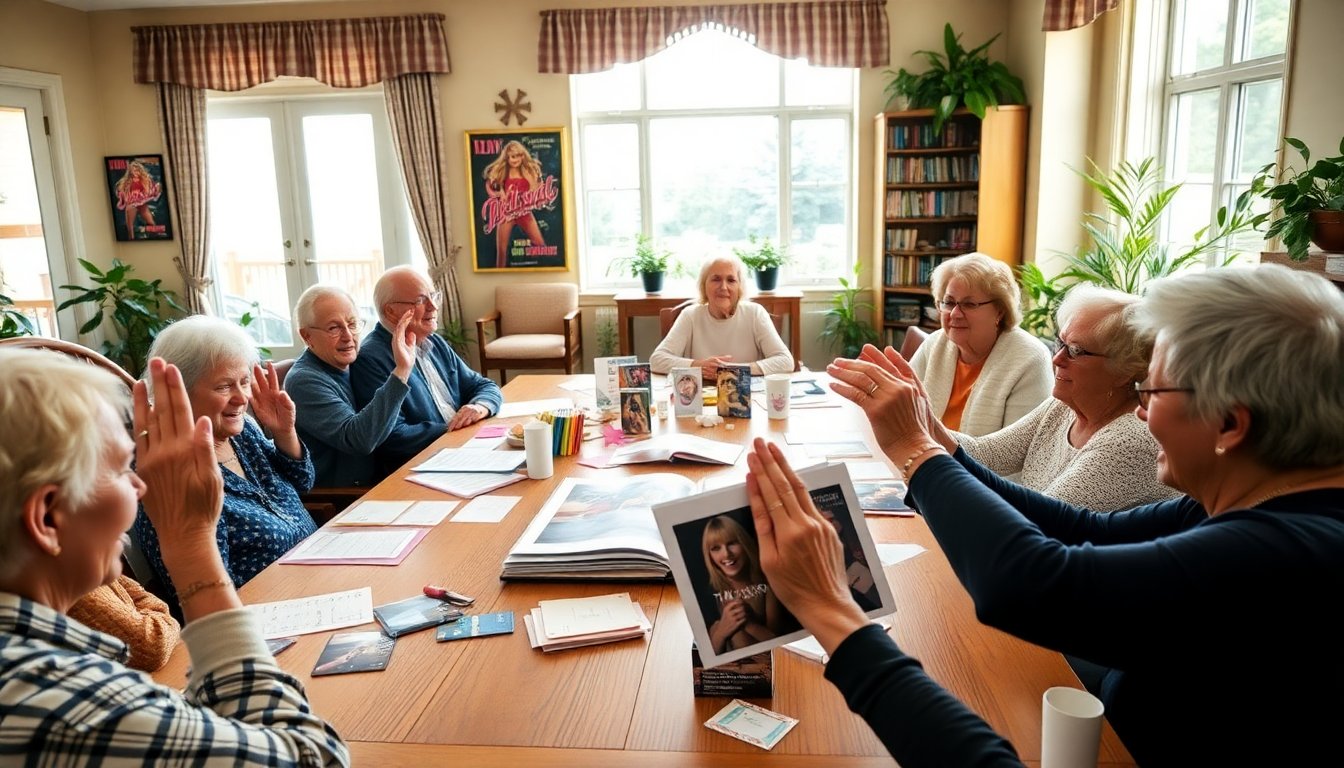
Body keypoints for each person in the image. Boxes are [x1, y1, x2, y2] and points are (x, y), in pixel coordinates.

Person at [818, 264, 1344, 766]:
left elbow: (1030, 582)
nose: (1142, 411)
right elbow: (1083, 528)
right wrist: (933, 442)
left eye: (1154, 392)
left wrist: (916, 451)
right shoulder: (1250, 503)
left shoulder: (1283, 553)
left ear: (1230, 423)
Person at [0, 350, 349, 765]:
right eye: (118, 470)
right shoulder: (79, 708)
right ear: (47, 517)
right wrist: (190, 542)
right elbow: (314, 758)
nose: (140, 486)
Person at [132, 316, 317, 609]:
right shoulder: (168, 473)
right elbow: (203, 595)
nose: (242, 397)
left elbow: (302, 482)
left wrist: (285, 433)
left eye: (244, 381)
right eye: (223, 387)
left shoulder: (243, 432)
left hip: (317, 579)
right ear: (178, 391)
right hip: (269, 615)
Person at [951, 285, 1177, 510]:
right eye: (1061, 343)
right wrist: (918, 417)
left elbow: (1044, 517)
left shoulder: (1129, 440)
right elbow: (985, 454)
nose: (1057, 359)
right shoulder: (1063, 407)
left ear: (1124, 370)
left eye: (1076, 351)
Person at [350, 267, 503, 473]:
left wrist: (479, 408)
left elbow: (482, 385)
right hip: (421, 466)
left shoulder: (432, 341)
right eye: (421, 300)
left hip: (460, 448)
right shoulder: (370, 358)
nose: (433, 307)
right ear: (390, 311)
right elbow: (393, 437)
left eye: (433, 296)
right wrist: (456, 428)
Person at [284, 284, 416, 488]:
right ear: (307, 336)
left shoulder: (355, 362)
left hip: (386, 478)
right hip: (346, 498)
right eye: (334, 328)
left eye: (352, 324)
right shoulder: (304, 381)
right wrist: (401, 371)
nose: (348, 336)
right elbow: (359, 440)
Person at [907, 252, 1052, 435]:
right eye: (949, 303)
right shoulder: (936, 343)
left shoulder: (1030, 359)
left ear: (1000, 310)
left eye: (969, 305)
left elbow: (1015, 453)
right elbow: (902, 409)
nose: (955, 314)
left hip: (975, 464)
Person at [650, 256, 793, 381]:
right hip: (699, 400)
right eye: (716, 279)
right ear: (704, 285)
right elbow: (657, 360)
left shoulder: (755, 313)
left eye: (731, 280)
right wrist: (699, 366)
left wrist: (732, 370)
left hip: (747, 399)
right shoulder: (690, 315)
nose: (723, 287)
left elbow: (785, 361)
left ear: (740, 287)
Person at [701, 515, 782, 654]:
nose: (726, 554)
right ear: (709, 556)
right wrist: (721, 632)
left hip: (769, 661)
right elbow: (707, 658)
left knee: (738, 634)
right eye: (716, 548)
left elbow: (781, 645)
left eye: (732, 543)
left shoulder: (769, 585)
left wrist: (747, 623)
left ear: (745, 544)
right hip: (730, 670)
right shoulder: (711, 596)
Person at [66, 574, 180, 672]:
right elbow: (154, 643)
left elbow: (136, 593)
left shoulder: (92, 561)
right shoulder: (72, 578)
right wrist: (159, 614)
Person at [482, 140, 546, 269]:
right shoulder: (502, 172)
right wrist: (499, 195)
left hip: (524, 212)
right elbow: (489, 186)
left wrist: (537, 188)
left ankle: (536, 271)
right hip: (506, 213)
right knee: (501, 251)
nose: (514, 159)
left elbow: (538, 189)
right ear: (506, 158)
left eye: (517, 156)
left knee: (540, 245)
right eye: (511, 156)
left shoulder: (529, 171)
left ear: (522, 156)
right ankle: (499, 275)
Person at [114, 159, 161, 239]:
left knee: (152, 223)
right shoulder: (126, 182)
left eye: (137, 170)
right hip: (131, 205)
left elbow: (150, 191)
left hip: (142, 203)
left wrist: (156, 189)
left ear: (140, 170)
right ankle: (131, 240)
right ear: (130, 171)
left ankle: (155, 237)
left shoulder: (145, 180)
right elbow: (121, 192)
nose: (135, 172)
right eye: (133, 170)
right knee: (130, 228)